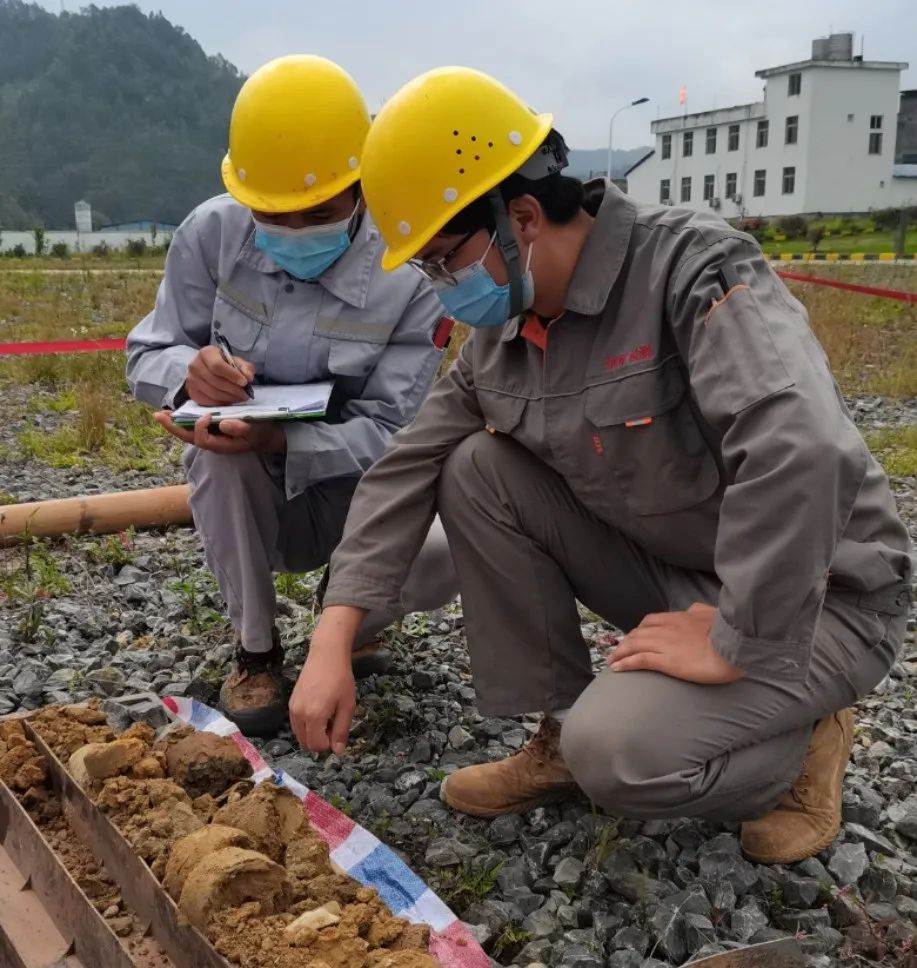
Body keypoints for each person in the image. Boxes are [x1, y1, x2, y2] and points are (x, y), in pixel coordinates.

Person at [288, 66, 912, 864]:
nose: (440, 287)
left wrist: (737, 636)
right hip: (681, 573)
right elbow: (405, 468)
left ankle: (802, 739)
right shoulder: (505, 341)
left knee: (617, 757)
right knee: (474, 467)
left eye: (444, 261)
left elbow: (800, 445)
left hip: (821, 595)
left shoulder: (690, 268)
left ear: (520, 217)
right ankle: (555, 732)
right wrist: (334, 639)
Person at [126, 56, 457, 737]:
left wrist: (286, 437)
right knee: (220, 458)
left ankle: (354, 616)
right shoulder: (210, 234)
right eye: (274, 215)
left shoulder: (412, 269)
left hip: (355, 492)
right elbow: (146, 353)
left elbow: (397, 430)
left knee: (452, 534)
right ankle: (257, 650)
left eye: (321, 212)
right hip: (256, 491)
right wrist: (191, 374)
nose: (297, 230)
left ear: (364, 186)